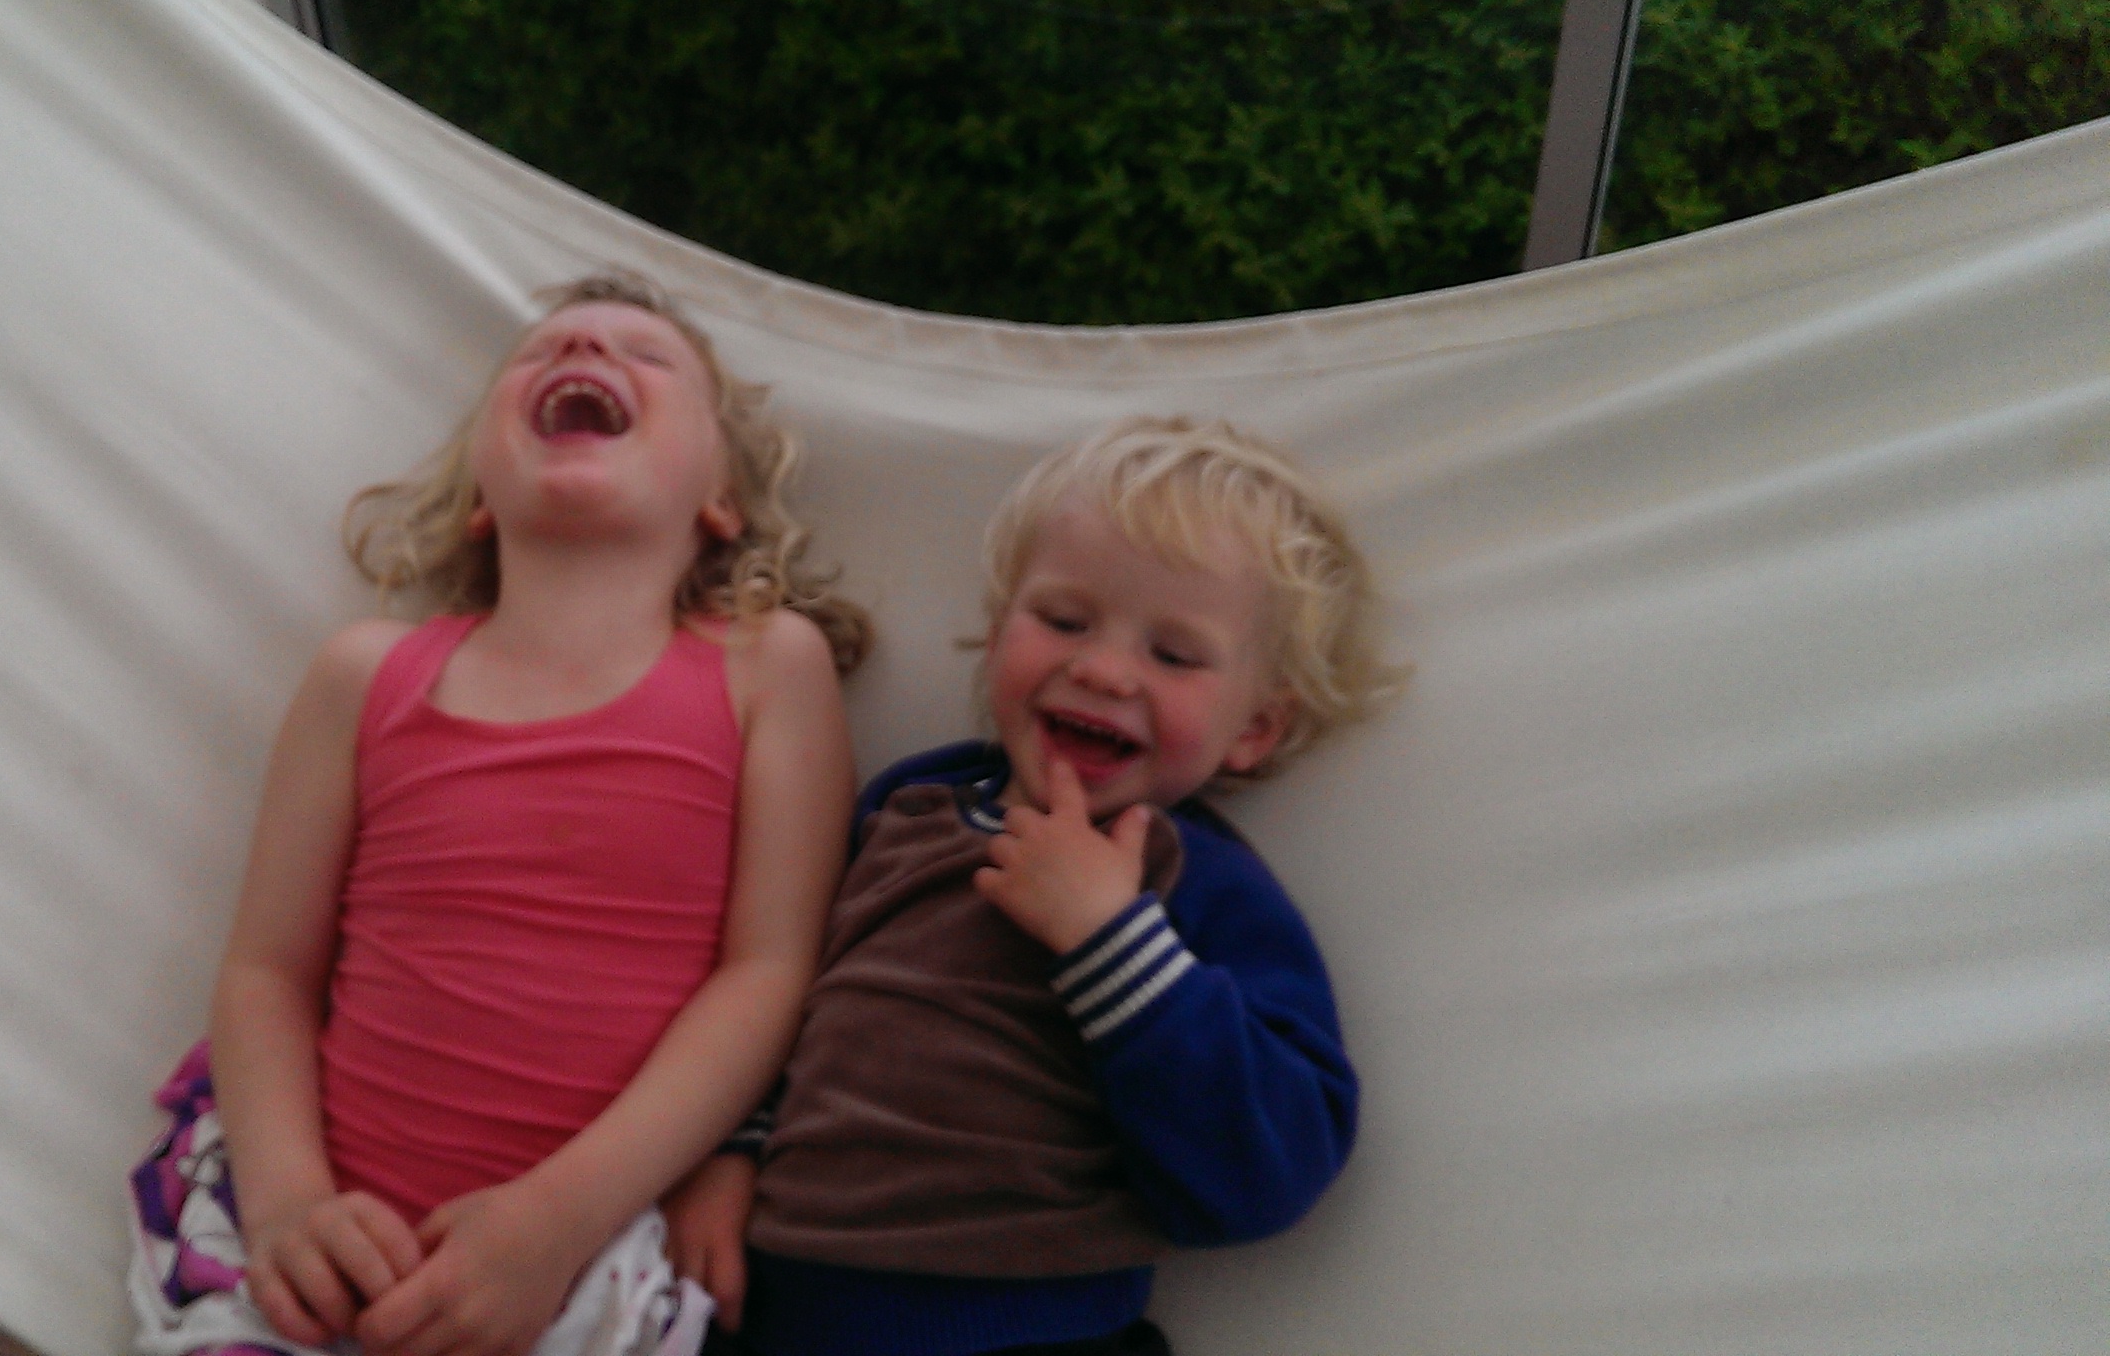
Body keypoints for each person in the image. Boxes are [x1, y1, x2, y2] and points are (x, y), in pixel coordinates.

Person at [129, 273, 866, 1356]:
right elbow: (266, 972)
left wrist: (560, 1220)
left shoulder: (766, 669)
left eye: (646, 355)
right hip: (305, 1246)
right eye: (543, 349)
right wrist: (287, 1206)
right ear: (480, 493)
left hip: (587, 1266)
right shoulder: (364, 676)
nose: (585, 348)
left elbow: (768, 975)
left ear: (721, 496)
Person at [664, 417, 1406, 1356]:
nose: (1099, 669)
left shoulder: (1193, 880)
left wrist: (1111, 942)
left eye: (1173, 656)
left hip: (1032, 1330)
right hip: (775, 1312)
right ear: (997, 629)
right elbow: (783, 1002)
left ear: (1254, 729)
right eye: (1063, 621)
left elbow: (1273, 1169)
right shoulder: (905, 809)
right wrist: (729, 1154)